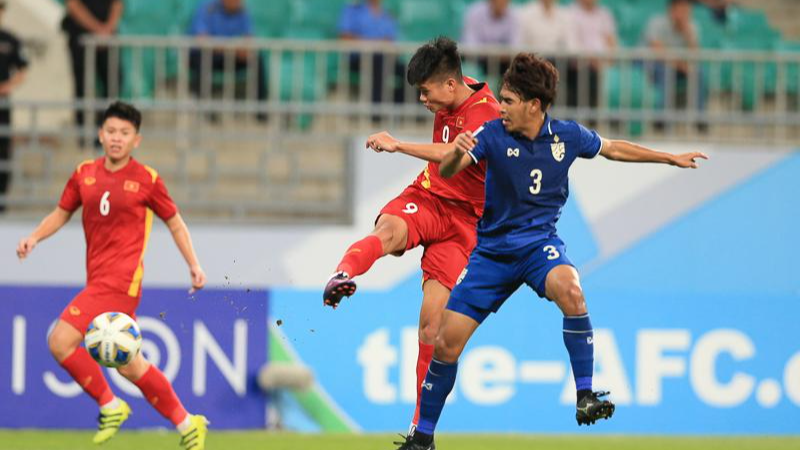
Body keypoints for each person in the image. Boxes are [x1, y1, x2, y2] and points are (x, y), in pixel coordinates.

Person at [395, 53, 708, 449]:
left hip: (537, 245)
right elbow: (451, 171)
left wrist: (669, 157)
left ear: (534, 105)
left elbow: (613, 148)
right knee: (445, 341)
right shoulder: (491, 134)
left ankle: (585, 395)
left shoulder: (568, 136)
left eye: (508, 101)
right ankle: (422, 439)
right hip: (491, 254)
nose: (500, 107)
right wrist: (458, 150)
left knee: (571, 289)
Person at [323, 37, 500, 434]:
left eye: (426, 91)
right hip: (429, 196)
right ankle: (342, 273)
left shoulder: (486, 113)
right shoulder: (455, 87)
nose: (423, 99)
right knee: (388, 231)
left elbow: (453, 153)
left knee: (431, 329)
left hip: (464, 225)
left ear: (451, 86)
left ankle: (421, 432)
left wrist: (397, 144)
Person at [16, 102, 210, 449]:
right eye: (111, 131)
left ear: (137, 140)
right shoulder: (83, 173)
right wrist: (34, 237)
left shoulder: (147, 179)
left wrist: (193, 264)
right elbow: (61, 213)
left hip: (122, 282)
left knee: (60, 341)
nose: (116, 139)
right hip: (98, 279)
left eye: (124, 133)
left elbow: (175, 223)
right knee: (130, 366)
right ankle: (187, 423)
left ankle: (110, 405)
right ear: (100, 134)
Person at [188, 0, 267, 118]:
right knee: (202, 59)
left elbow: (249, 39)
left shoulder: (243, 11)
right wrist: (230, 47)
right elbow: (202, 40)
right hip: (208, 55)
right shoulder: (207, 7)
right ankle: (205, 109)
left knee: (257, 58)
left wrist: (243, 50)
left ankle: (261, 110)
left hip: (229, 55)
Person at [61, 0, 123, 132]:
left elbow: (117, 4)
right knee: (83, 85)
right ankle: (84, 133)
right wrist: (98, 30)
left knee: (114, 80)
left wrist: (107, 30)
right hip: (80, 36)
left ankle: (105, 128)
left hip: (107, 39)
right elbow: (73, 5)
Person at [643, 0, 707, 125]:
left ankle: (700, 118)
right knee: (666, 71)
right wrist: (680, 65)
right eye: (680, 10)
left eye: (686, 10)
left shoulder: (692, 27)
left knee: (698, 71)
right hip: (652, 64)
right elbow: (657, 51)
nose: (683, 14)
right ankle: (662, 118)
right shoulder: (657, 22)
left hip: (678, 66)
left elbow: (696, 55)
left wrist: (688, 34)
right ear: (671, 10)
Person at [338, 0, 404, 107]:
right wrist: (376, 44)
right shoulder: (352, 11)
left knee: (409, 72)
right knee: (377, 63)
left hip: (384, 60)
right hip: (359, 60)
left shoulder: (387, 15)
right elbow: (345, 37)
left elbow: (391, 44)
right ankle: (376, 114)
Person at [0, 0, 28, 213]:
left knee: (3, 148)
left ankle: (2, 198)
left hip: (2, 104)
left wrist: (6, 87)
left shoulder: (10, 40)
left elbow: (22, 70)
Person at [568, 0, 617, 110]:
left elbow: (612, 42)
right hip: (581, 64)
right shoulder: (571, 13)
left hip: (604, 62)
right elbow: (572, 44)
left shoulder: (604, 14)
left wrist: (606, 60)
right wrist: (591, 59)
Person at [460, 0, 517, 78]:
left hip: (503, 65)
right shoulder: (474, 12)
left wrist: (494, 54)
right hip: (477, 64)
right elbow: (471, 47)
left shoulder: (514, 15)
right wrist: (496, 54)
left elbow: (515, 48)